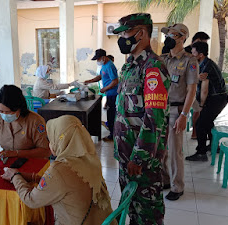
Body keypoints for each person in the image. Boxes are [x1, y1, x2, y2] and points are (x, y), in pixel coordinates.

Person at [1, 115, 116, 225]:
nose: (50, 144)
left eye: (51, 139)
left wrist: (14, 176)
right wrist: (32, 177)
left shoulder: (60, 169)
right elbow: (64, 184)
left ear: (60, 140)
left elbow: (31, 200)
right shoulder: (89, 159)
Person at [113, 13, 170, 224]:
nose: (123, 38)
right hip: (125, 154)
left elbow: (154, 118)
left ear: (142, 33)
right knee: (133, 209)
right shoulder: (129, 65)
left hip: (141, 160)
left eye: (126, 32)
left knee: (148, 215)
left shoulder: (153, 68)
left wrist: (139, 158)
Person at [160, 23, 198, 201]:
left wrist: (184, 115)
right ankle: (165, 179)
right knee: (160, 149)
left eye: (172, 35)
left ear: (183, 38)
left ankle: (177, 186)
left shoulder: (190, 61)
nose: (168, 38)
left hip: (177, 109)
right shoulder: (163, 59)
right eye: (167, 35)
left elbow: (191, 90)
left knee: (175, 151)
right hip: (161, 109)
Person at [0, 85, 51, 160]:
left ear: (19, 108)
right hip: (8, 165)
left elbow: (45, 151)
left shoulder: (35, 121)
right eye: (1, 111)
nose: (4, 115)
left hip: (32, 164)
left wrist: (16, 154)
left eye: (8, 112)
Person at [186, 42, 228, 161]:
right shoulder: (204, 63)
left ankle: (201, 153)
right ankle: (215, 146)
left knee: (200, 124)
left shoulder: (206, 67)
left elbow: (204, 90)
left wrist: (201, 105)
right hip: (218, 98)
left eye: (193, 53)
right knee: (208, 122)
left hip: (217, 99)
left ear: (200, 54)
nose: (191, 55)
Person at [84, 49, 119, 141]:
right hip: (109, 93)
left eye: (98, 59)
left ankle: (112, 135)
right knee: (109, 112)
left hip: (113, 94)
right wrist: (90, 81)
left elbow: (115, 81)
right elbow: (100, 76)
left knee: (111, 114)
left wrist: (105, 89)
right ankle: (111, 132)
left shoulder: (110, 66)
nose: (97, 61)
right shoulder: (104, 66)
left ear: (103, 57)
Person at [185, 32, 211, 139]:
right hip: (186, 86)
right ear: (195, 41)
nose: (204, 46)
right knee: (197, 108)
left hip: (195, 86)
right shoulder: (186, 52)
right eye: (202, 42)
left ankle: (195, 133)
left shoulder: (204, 59)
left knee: (199, 110)